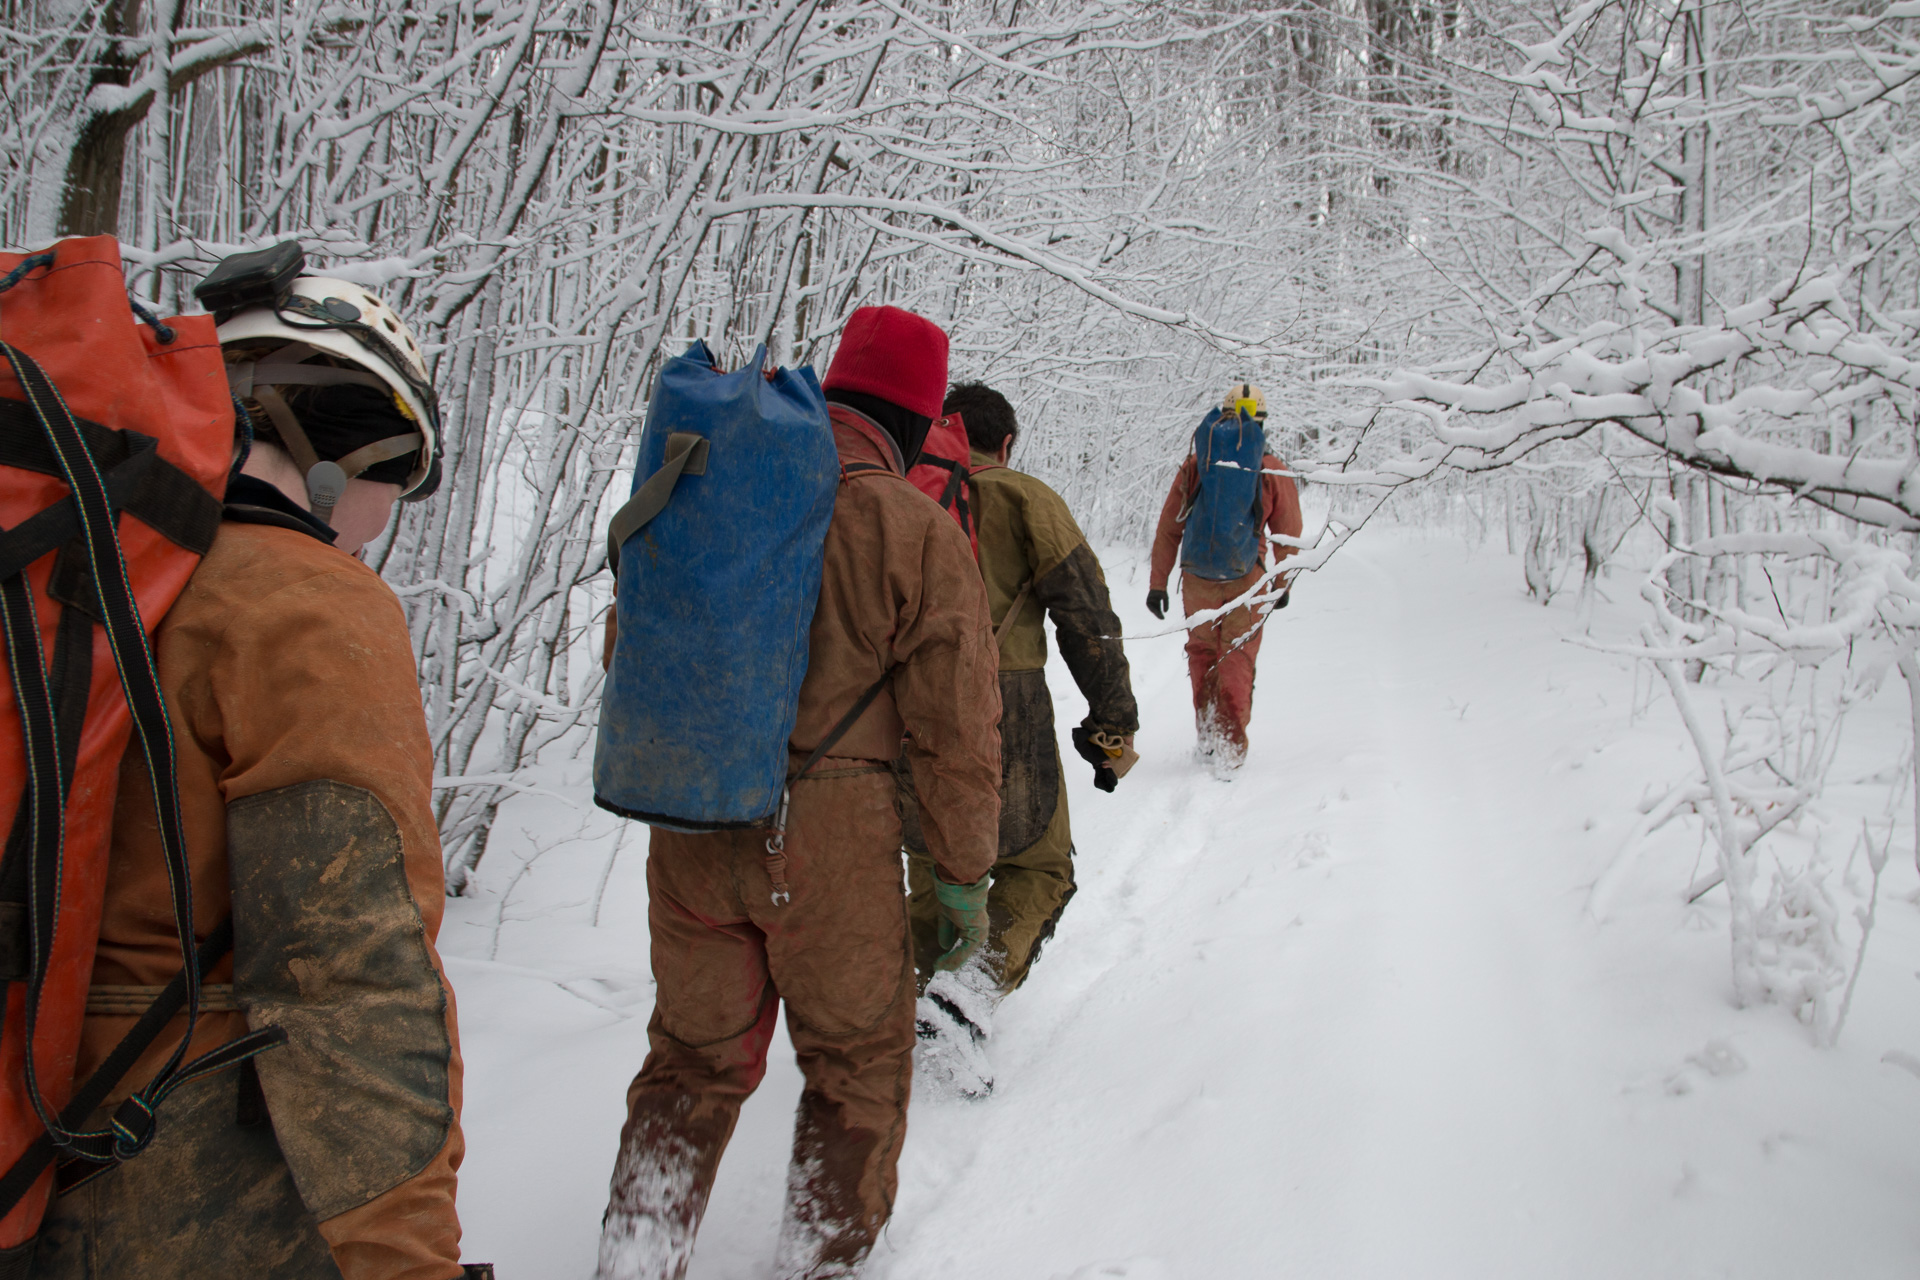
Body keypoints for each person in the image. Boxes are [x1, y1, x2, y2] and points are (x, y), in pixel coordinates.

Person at [32, 267, 478, 1279]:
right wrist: (409, 1261)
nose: (378, 521)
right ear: (334, 448)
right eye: (393, 479)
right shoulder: (303, 604)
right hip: (188, 1194)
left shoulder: (72, 573)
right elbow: (353, 982)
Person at [596, 306, 1001, 1280]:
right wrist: (960, 875)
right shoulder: (910, 524)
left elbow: (628, 644)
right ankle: (821, 1265)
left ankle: (637, 1261)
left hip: (693, 816)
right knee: (858, 1069)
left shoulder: (716, 483)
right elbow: (958, 729)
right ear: (914, 422)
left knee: (688, 1068)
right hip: (831, 840)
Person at [902, 383, 1137, 1084]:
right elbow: (1086, 617)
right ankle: (964, 996)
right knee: (1039, 864)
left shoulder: (900, 493)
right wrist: (1111, 726)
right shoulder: (1024, 497)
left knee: (936, 860)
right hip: (1007, 701)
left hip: (906, 709)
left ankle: (929, 1006)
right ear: (1005, 444)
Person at [1146, 382, 1303, 769]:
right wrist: (1282, 584)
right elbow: (1288, 532)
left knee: (1202, 654)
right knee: (1237, 656)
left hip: (1197, 579)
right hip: (1247, 580)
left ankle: (1208, 735)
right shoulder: (1270, 468)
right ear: (1261, 422)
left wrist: (1157, 583)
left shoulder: (1198, 464)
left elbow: (1169, 527)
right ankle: (1231, 748)